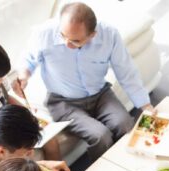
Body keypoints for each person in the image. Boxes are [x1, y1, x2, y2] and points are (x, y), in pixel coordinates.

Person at [14, 2, 154, 160]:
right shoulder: (43, 33)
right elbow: (28, 58)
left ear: (92, 35)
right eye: (63, 36)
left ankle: (132, 166)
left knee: (125, 125)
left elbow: (126, 71)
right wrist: (24, 75)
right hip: (63, 102)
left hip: (101, 94)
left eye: (75, 41)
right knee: (100, 136)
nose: (67, 44)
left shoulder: (109, 35)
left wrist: (145, 105)